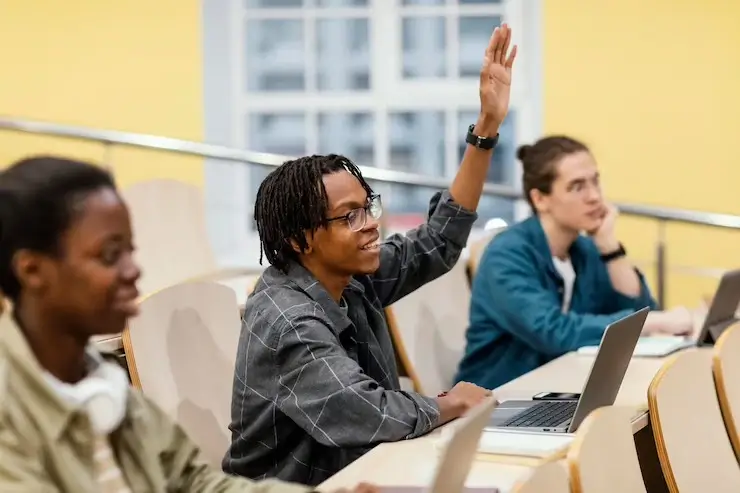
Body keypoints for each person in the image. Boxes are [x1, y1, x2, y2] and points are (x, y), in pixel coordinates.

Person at [223, 24, 517, 486]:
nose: (371, 224)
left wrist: (486, 129)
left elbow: (437, 243)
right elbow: (365, 411)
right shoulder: (288, 320)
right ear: (301, 240)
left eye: (369, 206)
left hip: (359, 472)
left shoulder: (348, 277)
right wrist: (449, 403)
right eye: (349, 216)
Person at [0, 156, 376, 493]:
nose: (133, 270)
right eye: (110, 255)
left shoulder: (101, 384)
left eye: (131, 250)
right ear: (33, 271)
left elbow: (196, 482)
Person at [455, 136, 695, 390]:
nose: (594, 197)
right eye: (577, 187)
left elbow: (642, 310)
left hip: (560, 388)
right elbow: (553, 332)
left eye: (595, 181)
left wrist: (610, 248)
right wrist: (652, 322)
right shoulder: (507, 255)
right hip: (497, 398)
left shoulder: (585, 250)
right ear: (540, 199)